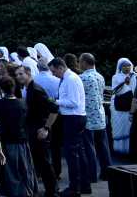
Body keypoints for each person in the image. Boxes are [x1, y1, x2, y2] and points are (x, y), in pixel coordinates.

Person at [48, 57, 90, 196]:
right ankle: (83, 185)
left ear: (60, 67)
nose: (53, 74)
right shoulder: (69, 78)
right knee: (78, 153)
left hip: (73, 117)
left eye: (54, 72)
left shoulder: (71, 79)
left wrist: (56, 101)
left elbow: (73, 102)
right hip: (75, 117)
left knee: (72, 155)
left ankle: (74, 189)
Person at [17, 64, 60, 197]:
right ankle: (48, 190)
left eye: (21, 74)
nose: (18, 77)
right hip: (34, 130)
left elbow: (54, 109)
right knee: (41, 162)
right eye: (17, 75)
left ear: (28, 73)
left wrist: (46, 128)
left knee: (45, 162)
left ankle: (53, 191)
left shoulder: (35, 89)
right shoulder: (29, 89)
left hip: (40, 131)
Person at [0, 75, 35, 197]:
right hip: (22, 141)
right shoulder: (22, 103)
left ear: (1, 88)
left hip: (6, 142)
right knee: (24, 171)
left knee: (10, 174)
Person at [77, 53, 109, 183]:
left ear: (85, 62)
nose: (79, 64)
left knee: (89, 148)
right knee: (103, 147)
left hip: (88, 117)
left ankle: (91, 175)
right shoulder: (100, 76)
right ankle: (107, 172)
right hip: (100, 116)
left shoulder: (82, 78)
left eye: (80, 61)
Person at [111, 58, 137, 156]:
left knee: (128, 128)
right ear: (120, 67)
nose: (127, 67)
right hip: (119, 108)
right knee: (119, 128)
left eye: (128, 65)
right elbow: (115, 91)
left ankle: (128, 150)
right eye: (124, 66)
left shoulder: (135, 76)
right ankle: (119, 150)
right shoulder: (116, 77)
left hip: (130, 107)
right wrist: (124, 83)